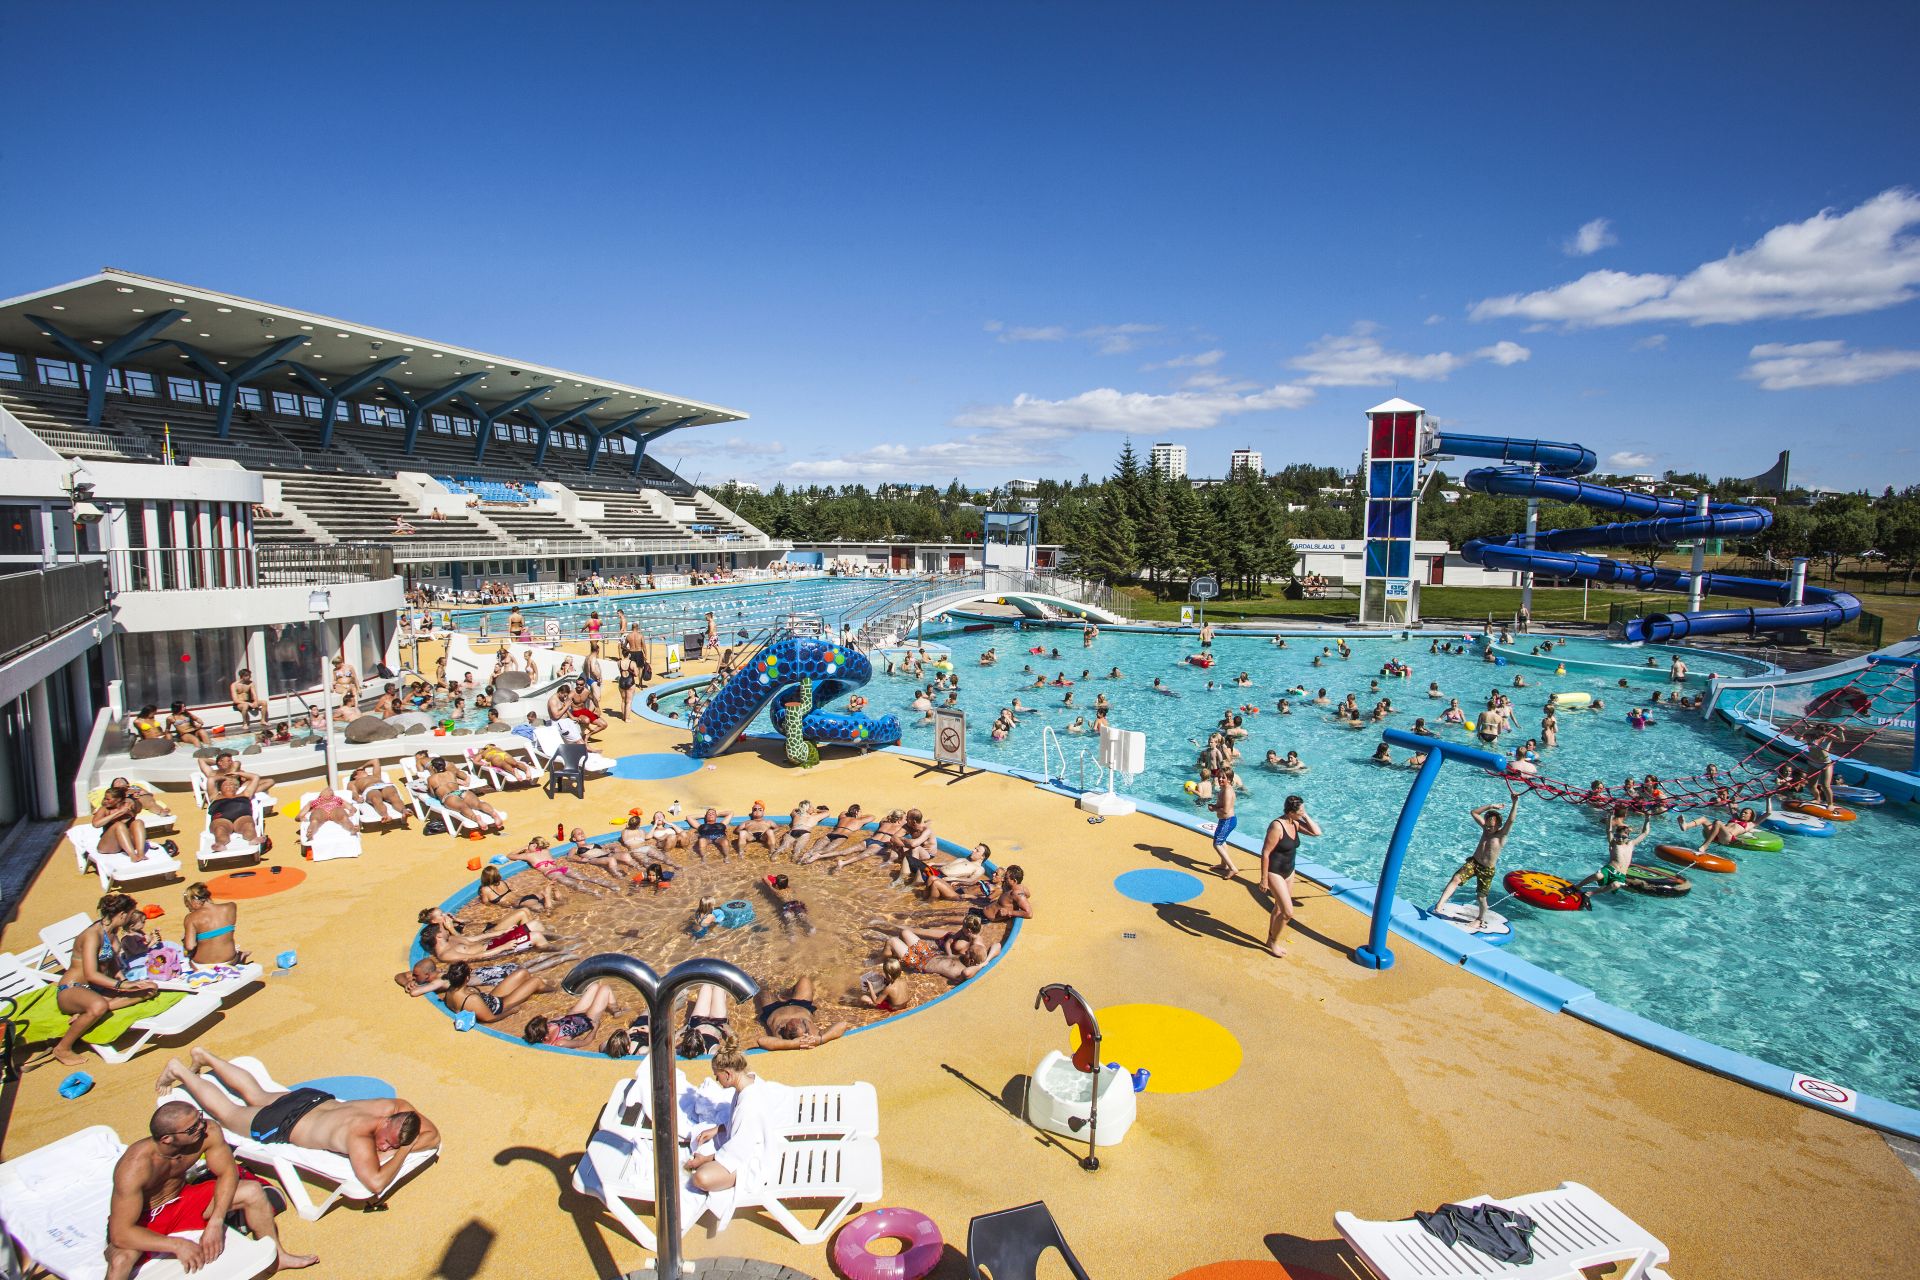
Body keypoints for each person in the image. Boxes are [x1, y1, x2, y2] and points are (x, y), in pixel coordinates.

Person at [158, 1048, 438, 1197]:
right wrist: (402, 1151)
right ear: (388, 1122)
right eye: (387, 1140)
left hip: (311, 1100)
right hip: (282, 1123)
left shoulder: (392, 1107)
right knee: (228, 1114)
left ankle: (204, 1056)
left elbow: (433, 1134)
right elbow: (376, 1183)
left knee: (257, 1094)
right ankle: (179, 1070)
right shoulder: (360, 1138)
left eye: (390, 1144)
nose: (385, 1146)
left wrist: (399, 1140)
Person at [105, 1100, 315, 1279]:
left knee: (252, 1191)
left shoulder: (208, 1132)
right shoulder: (135, 1166)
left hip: (181, 1200)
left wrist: (216, 1221)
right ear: (167, 1139)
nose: (200, 1127)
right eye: (191, 1128)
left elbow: (228, 1173)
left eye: (199, 1118)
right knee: (121, 1260)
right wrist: (177, 1245)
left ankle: (277, 1258)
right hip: (145, 1219)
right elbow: (120, 1232)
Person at [50, 894, 160, 1065]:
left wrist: (126, 983)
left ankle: (86, 1012)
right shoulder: (92, 935)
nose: (132, 918)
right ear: (122, 915)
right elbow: (91, 974)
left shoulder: (112, 933)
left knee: (150, 988)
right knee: (98, 1005)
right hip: (73, 989)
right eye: (131, 914)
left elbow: (113, 965)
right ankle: (62, 1048)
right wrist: (122, 985)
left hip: (98, 989)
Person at [683, 1039, 779, 1195]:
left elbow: (738, 1151)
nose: (717, 1080)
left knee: (700, 1178)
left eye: (717, 1076)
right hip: (753, 1145)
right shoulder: (751, 1081)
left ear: (727, 1074)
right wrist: (719, 1128)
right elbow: (744, 1126)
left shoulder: (747, 1105)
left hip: (755, 1160)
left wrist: (705, 1159)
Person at [1433, 795, 1521, 927]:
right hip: (1474, 863)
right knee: (1456, 878)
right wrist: (1491, 806)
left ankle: (1480, 919)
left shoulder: (1501, 835)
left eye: (1491, 826)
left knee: (1481, 897)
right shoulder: (1486, 829)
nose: (1487, 828)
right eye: (1486, 825)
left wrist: (1515, 802)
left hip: (1487, 870)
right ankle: (1439, 905)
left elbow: (1511, 820)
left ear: (1498, 825)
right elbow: (1474, 812)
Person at [1259, 795, 1321, 958]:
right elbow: (1265, 853)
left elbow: (1316, 832)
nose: (1303, 814)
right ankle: (1273, 941)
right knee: (1288, 912)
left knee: (1279, 907)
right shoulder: (1277, 826)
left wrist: (1305, 815)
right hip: (1275, 872)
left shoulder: (1295, 823)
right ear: (1290, 812)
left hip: (1289, 871)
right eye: (1300, 811)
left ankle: (1269, 938)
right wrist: (1264, 878)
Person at [1570, 808, 1654, 894]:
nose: (1620, 839)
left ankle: (1590, 893)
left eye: (1623, 837)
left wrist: (1647, 819)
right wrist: (1610, 816)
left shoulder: (1631, 844)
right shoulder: (1614, 843)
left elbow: (1645, 832)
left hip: (1621, 874)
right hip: (1610, 869)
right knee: (1597, 875)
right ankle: (1576, 887)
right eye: (1617, 836)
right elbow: (1608, 831)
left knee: (1616, 885)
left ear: (1628, 837)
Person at [753, 977, 850, 1050]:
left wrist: (793, 1044)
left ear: (786, 1032)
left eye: (786, 1025)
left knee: (761, 988)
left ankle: (780, 993)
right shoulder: (814, 1035)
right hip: (801, 1005)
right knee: (805, 980)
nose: (792, 1019)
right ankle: (787, 993)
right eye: (802, 1021)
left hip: (773, 1009)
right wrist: (821, 1039)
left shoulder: (782, 1039)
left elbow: (761, 1041)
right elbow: (843, 1024)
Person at [440, 959, 548, 1023]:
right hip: (500, 1006)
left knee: (522, 973)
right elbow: (489, 1018)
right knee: (536, 981)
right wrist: (511, 1011)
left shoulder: (450, 990)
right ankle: (555, 990)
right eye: (470, 971)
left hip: (490, 1000)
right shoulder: (471, 999)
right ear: (467, 978)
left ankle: (541, 987)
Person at [522, 979, 621, 1047]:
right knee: (605, 989)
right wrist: (595, 1029)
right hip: (589, 1020)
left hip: (572, 1015)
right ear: (546, 1036)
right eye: (547, 1026)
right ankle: (617, 1012)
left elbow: (560, 1019)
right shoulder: (560, 1043)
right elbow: (584, 1042)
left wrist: (577, 1012)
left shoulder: (542, 1028)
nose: (548, 1024)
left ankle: (609, 1008)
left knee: (594, 986)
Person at [181, 882, 245, 966]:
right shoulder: (231, 907)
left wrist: (186, 939)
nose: (190, 910)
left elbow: (190, 946)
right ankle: (242, 956)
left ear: (194, 901)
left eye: (189, 905)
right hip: (230, 960)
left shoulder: (191, 918)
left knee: (186, 957)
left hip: (202, 965)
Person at [90, 785, 151, 861]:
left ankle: (140, 853)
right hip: (110, 846)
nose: (105, 801)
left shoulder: (128, 805)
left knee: (138, 822)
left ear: (118, 800)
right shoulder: (104, 809)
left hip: (129, 843)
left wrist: (134, 802)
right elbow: (96, 824)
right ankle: (132, 855)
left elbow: (139, 808)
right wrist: (119, 813)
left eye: (108, 799)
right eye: (105, 798)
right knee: (119, 825)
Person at [207, 775, 262, 850]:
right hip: (221, 819)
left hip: (242, 818)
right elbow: (211, 779)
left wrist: (237, 773)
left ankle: (253, 839)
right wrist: (226, 777)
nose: (228, 785)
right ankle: (220, 844)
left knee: (248, 826)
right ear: (220, 788)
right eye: (225, 784)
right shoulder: (215, 796)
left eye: (231, 784)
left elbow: (255, 777)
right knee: (220, 829)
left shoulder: (245, 794)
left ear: (236, 788)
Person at [1208, 770, 1238, 878]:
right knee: (1222, 841)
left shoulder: (1228, 791)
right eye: (1219, 777)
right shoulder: (1224, 789)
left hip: (1227, 820)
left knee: (1217, 844)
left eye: (1223, 778)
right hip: (1225, 821)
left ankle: (1232, 868)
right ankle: (1223, 864)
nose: (1220, 779)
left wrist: (1214, 808)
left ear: (1229, 779)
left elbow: (1225, 810)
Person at [229, 668, 264, 733]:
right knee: (245, 705)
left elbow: (254, 694)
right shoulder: (234, 685)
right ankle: (245, 723)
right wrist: (248, 703)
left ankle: (263, 720)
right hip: (239, 704)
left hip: (248, 701)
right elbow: (235, 700)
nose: (250, 677)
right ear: (242, 676)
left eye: (250, 675)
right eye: (248, 676)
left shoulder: (250, 683)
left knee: (264, 702)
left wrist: (255, 702)